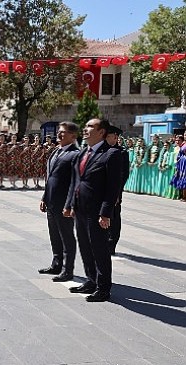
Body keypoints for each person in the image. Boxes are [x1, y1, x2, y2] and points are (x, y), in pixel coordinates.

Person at [69, 118, 122, 302]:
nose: (85, 129)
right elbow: (78, 181)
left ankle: (103, 288)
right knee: (85, 247)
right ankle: (91, 280)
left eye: (90, 126)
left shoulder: (111, 154)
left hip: (97, 212)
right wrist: (72, 205)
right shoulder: (84, 152)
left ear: (101, 132)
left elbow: (113, 187)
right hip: (81, 209)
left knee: (99, 249)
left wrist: (106, 213)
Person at [39, 122, 80, 282]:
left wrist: (70, 205)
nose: (59, 134)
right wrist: (44, 197)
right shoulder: (56, 151)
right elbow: (50, 178)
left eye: (63, 132)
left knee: (67, 237)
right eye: (59, 132)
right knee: (54, 235)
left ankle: (67, 269)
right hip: (51, 202)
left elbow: (75, 182)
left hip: (64, 204)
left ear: (73, 136)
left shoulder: (75, 154)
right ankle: (56, 264)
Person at [105, 126, 130, 256]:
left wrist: (117, 192)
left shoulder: (121, 153)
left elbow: (124, 174)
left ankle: (111, 243)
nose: (105, 138)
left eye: (108, 136)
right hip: (101, 191)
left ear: (115, 137)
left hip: (114, 192)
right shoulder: (101, 151)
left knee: (114, 217)